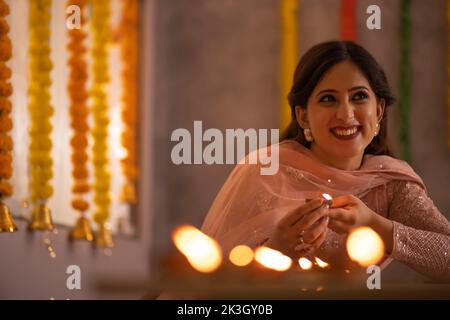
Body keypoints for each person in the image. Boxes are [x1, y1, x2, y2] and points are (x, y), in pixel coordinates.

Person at [201, 41, 450, 281]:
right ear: (303, 116)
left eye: (359, 96)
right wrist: (276, 250)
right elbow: (214, 282)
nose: (345, 114)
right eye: (328, 99)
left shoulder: (389, 183)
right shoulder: (266, 172)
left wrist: (374, 223)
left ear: (379, 110)